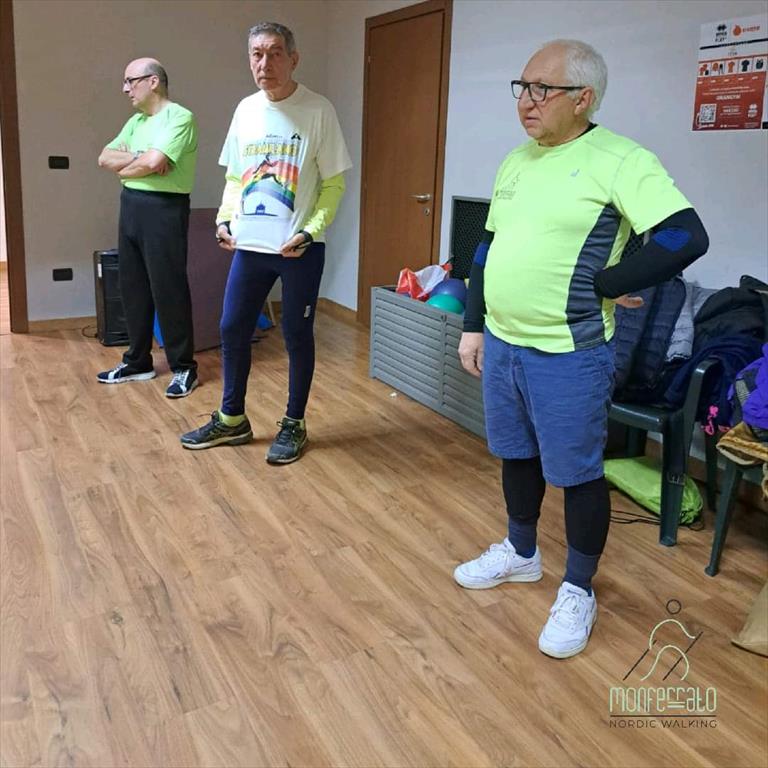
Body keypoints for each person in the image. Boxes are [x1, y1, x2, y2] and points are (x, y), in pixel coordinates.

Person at [454, 40, 709, 659]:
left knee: (577, 473)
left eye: (542, 88)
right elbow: (486, 249)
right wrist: (473, 323)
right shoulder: (516, 160)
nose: (526, 100)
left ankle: (577, 587)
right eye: (522, 87)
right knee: (515, 454)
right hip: (503, 342)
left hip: (570, 352)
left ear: (583, 98)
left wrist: (609, 283)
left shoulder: (620, 160)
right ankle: (521, 552)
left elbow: (684, 235)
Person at [180, 22, 351, 464]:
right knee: (232, 327)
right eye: (257, 54)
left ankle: (294, 423)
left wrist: (310, 231)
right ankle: (232, 419)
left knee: (296, 334)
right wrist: (223, 219)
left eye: (275, 53)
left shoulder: (318, 110)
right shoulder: (245, 110)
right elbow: (236, 178)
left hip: (300, 250)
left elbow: (334, 184)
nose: (265, 63)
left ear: (293, 59)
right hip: (251, 248)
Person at [97, 58, 199, 397]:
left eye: (130, 81)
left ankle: (184, 367)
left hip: (164, 210)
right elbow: (104, 158)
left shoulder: (180, 117)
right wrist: (140, 159)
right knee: (133, 287)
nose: (125, 89)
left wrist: (139, 162)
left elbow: (155, 162)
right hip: (131, 206)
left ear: (153, 81)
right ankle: (138, 361)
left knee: (168, 288)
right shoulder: (135, 121)